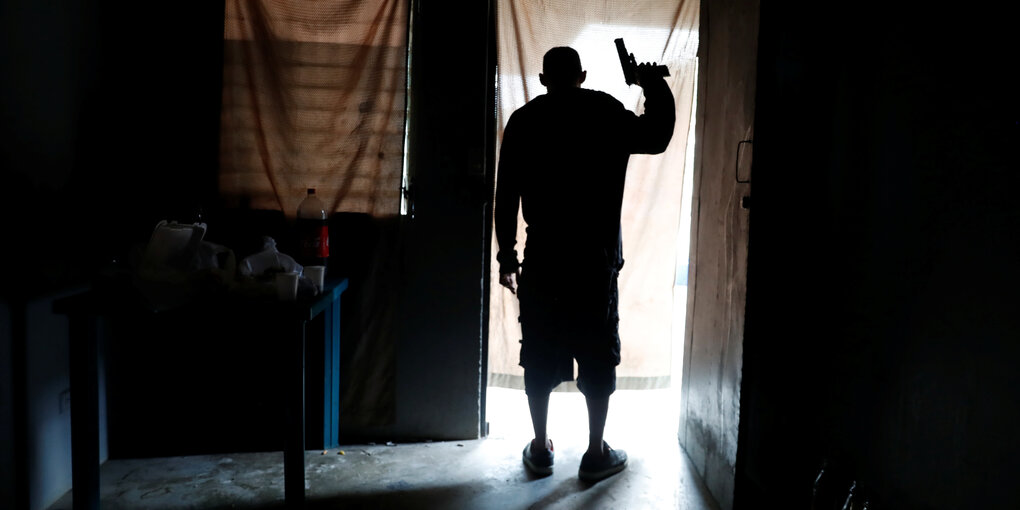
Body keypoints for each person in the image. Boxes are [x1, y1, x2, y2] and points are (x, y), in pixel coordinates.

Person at [494, 46, 675, 482]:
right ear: (582, 75)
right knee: (597, 355)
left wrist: (507, 255)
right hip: (594, 262)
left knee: (538, 354)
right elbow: (658, 135)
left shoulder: (524, 121)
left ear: (542, 79)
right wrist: (652, 83)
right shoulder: (604, 112)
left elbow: (506, 197)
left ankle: (540, 448)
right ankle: (595, 452)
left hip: (544, 260)